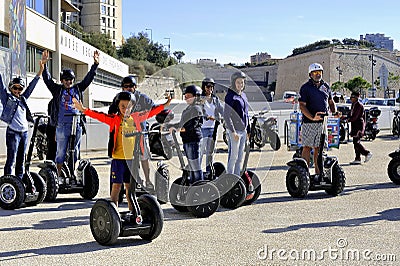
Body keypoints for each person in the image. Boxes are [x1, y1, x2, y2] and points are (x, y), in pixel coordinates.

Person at [73, 92, 171, 210]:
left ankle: (132, 212)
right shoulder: (114, 119)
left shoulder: (137, 118)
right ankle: (113, 212)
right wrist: (84, 110)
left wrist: (166, 104)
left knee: (130, 189)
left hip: (132, 161)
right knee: (116, 187)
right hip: (118, 160)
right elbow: (99, 115)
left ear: (133, 106)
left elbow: (152, 112)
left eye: (128, 106)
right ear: (118, 106)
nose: (125, 109)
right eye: (122, 106)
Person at [41, 49, 99, 176]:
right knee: (61, 151)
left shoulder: (78, 88)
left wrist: (95, 65)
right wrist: (44, 65)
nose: (68, 82)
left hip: (76, 124)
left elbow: (88, 79)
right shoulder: (57, 90)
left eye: (71, 79)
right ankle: (58, 174)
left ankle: (74, 174)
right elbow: (47, 80)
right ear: (62, 80)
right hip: (61, 125)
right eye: (66, 79)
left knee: (75, 151)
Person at [108, 75, 155, 190]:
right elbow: (111, 112)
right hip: (125, 134)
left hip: (140, 132)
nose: (128, 88)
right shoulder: (119, 98)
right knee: (125, 159)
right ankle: (127, 184)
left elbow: (153, 108)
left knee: (144, 157)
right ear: (122, 88)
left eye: (131, 86)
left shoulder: (142, 98)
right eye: (125, 86)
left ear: (135, 87)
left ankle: (148, 181)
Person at [0, 59, 45, 178]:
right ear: (11, 88)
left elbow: (32, 86)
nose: (17, 91)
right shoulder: (6, 98)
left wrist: (40, 70)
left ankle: (19, 184)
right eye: (15, 88)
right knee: (11, 161)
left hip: (24, 133)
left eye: (20, 89)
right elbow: (0, 86)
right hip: (13, 133)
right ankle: (7, 183)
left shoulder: (23, 99)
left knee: (21, 161)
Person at [298, 63, 338, 177]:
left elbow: (330, 102)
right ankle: (304, 174)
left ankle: (318, 173)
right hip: (309, 122)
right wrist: (312, 117)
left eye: (319, 72)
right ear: (310, 74)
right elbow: (302, 106)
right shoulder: (305, 88)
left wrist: (334, 112)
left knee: (319, 148)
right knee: (307, 146)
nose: (317, 75)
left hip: (322, 122)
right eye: (315, 73)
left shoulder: (326, 86)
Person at [170, 85, 204, 183]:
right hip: (188, 140)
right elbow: (182, 123)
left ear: (195, 96)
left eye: (188, 96)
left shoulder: (196, 109)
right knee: (191, 167)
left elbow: (191, 126)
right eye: (185, 96)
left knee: (195, 167)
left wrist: (177, 129)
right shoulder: (189, 108)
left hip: (193, 140)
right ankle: (193, 187)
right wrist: (169, 126)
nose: (186, 98)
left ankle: (199, 188)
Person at [223, 71, 250, 176]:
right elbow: (226, 115)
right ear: (234, 83)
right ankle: (229, 178)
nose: (240, 85)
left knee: (239, 158)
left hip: (243, 130)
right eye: (238, 82)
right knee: (233, 157)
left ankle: (237, 178)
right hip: (234, 131)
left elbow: (246, 114)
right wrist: (233, 132)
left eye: (242, 82)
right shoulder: (230, 96)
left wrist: (248, 130)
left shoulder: (243, 96)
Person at [200, 77, 224, 178]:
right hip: (202, 129)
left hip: (213, 129)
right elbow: (199, 111)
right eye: (208, 86)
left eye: (212, 86)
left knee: (210, 152)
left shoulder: (215, 99)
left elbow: (221, 110)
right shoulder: (200, 99)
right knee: (200, 152)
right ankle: (197, 172)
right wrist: (207, 117)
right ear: (204, 87)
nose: (210, 88)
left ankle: (209, 172)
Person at [346, 91, 373, 165]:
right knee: (355, 142)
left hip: (359, 125)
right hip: (354, 125)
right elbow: (350, 114)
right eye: (351, 97)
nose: (351, 99)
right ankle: (357, 158)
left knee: (356, 142)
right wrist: (344, 117)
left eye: (352, 97)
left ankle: (367, 153)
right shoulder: (353, 105)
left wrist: (348, 120)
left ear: (356, 98)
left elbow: (355, 117)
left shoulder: (359, 105)